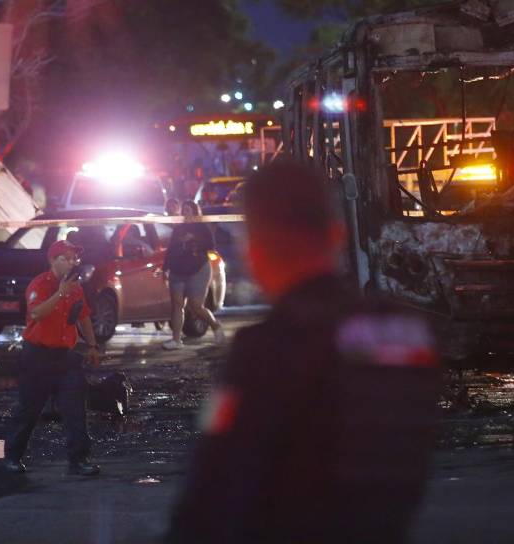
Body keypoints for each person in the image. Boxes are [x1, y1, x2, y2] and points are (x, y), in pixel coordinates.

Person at [167, 160, 443, 544]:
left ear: (255, 249)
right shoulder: (407, 331)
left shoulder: (266, 350)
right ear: (337, 234)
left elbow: (211, 495)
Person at [3, 239, 102, 477]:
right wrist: (60, 293)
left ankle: (79, 460)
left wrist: (92, 345)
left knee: (75, 410)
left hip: (66, 357)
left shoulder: (76, 287)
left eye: (73, 258)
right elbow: (36, 313)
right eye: (64, 258)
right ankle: (12, 458)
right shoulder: (40, 284)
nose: (71, 262)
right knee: (29, 410)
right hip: (37, 357)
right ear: (52, 260)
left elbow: (84, 316)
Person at [161, 200, 224, 350]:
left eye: (188, 210)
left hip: (198, 269)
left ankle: (215, 326)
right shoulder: (178, 229)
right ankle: (176, 340)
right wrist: (165, 269)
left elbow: (211, 246)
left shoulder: (202, 228)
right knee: (177, 305)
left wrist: (193, 240)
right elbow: (171, 250)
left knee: (195, 306)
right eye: (183, 210)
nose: (185, 213)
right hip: (177, 270)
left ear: (195, 212)